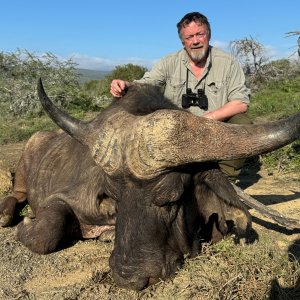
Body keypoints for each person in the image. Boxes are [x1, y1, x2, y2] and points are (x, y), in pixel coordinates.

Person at [110, 12, 251, 182]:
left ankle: (226, 179)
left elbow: (240, 103)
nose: (195, 41)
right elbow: (147, 84)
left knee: (242, 122)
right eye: (189, 37)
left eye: (200, 34)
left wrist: (206, 120)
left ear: (209, 35)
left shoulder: (228, 63)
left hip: (215, 130)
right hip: (175, 132)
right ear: (183, 41)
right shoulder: (168, 62)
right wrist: (125, 85)